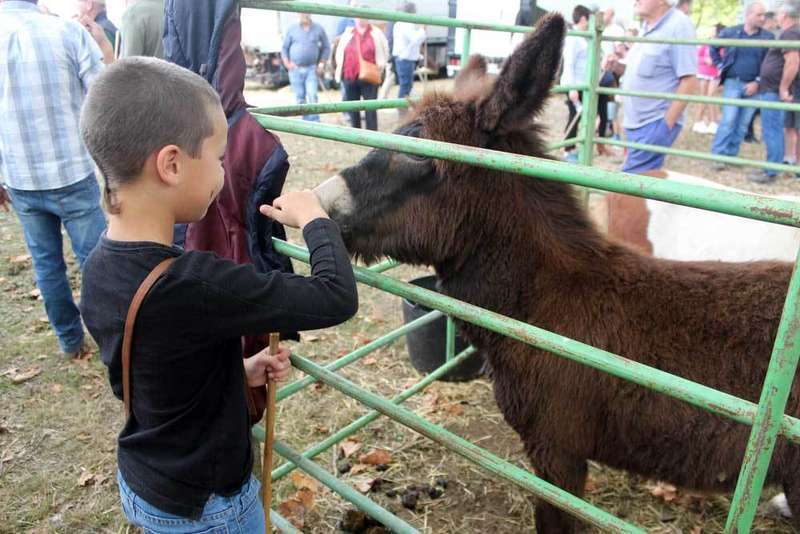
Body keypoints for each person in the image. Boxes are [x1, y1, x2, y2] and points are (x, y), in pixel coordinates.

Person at [79, 57, 359, 532]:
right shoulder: (193, 284)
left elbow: (154, 374)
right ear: (171, 164)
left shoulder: (99, 267)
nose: (223, 172)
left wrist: (237, 373)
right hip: (211, 508)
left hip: (145, 483)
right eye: (219, 158)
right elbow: (335, 296)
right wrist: (314, 216)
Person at [0, 0, 110, 359]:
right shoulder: (67, 31)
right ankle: (110, 336)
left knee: (46, 263)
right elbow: (103, 94)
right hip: (71, 170)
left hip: (21, 176)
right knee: (96, 260)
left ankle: (70, 341)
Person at [620, 0, 697, 174]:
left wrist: (665, 125)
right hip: (637, 122)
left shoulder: (679, 25)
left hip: (653, 122)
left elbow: (689, 80)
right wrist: (616, 66)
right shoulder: (647, 27)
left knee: (630, 180)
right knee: (640, 178)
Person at [708, 3, 771, 167]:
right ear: (748, 15)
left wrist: (757, 82)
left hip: (755, 87)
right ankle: (718, 156)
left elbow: (769, 63)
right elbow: (713, 47)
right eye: (759, 15)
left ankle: (731, 156)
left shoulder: (768, 37)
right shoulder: (731, 32)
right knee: (728, 121)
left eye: (764, 15)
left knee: (743, 124)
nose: (763, 18)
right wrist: (720, 65)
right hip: (733, 82)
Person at [749, 3, 800, 184]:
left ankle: (771, 171)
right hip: (771, 88)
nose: (775, 17)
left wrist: (783, 87)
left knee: (772, 130)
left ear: (784, 15)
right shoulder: (790, 32)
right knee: (774, 129)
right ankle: (772, 167)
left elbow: (793, 62)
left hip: (773, 90)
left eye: (777, 14)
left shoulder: (790, 33)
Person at [336, 15, 389, 130]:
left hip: (370, 76)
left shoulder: (376, 33)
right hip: (350, 75)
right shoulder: (348, 33)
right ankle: (356, 133)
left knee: (370, 108)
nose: (360, 19)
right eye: (358, 16)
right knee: (352, 108)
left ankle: (372, 134)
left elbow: (385, 49)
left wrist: (381, 65)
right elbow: (339, 51)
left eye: (363, 16)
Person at [281, 13, 331, 122]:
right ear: (298, 14)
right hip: (295, 69)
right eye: (301, 13)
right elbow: (284, 48)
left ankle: (315, 122)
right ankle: (306, 122)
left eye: (306, 12)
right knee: (300, 98)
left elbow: (326, 47)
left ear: (310, 13)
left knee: (312, 95)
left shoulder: (318, 28)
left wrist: (321, 64)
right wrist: (287, 64)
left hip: (312, 68)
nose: (304, 15)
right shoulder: (292, 29)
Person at [560, 5, 592, 163]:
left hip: (581, 84)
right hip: (574, 84)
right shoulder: (573, 37)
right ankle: (567, 150)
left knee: (578, 116)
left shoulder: (582, 37)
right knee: (574, 115)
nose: (590, 22)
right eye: (589, 19)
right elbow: (569, 64)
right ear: (583, 18)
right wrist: (572, 88)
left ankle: (571, 148)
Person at [392, 1, 426, 108]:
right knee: (406, 86)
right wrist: (422, 29)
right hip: (405, 59)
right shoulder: (405, 23)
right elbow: (415, 39)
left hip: (403, 58)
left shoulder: (399, 23)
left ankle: (403, 107)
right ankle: (402, 109)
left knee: (406, 85)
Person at [693, 23, 724, 134]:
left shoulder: (723, 46)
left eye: (714, 30)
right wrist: (705, 60)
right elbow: (697, 56)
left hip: (715, 74)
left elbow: (723, 59)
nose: (711, 32)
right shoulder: (706, 43)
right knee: (703, 97)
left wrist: (715, 62)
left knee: (711, 96)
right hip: (704, 72)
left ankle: (713, 122)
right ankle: (698, 121)